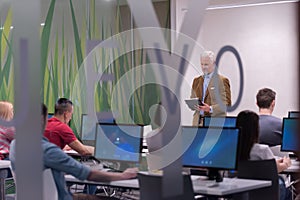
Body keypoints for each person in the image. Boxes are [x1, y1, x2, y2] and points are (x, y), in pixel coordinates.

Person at [9, 104, 138, 200]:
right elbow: (89, 175)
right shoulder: (48, 151)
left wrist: (61, 167)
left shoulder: (15, 145)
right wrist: (122, 176)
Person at [236, 110, 292, 200]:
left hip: (240, 193)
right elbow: (272, 170)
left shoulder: (232, 150)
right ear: (256, 129)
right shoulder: (262, 150)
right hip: (265, 193)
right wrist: (286, 164)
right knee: (288, 189)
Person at [190, 50, 232, 126]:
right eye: (202, 64)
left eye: (206, 64)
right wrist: (193, 104)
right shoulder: (196, 81)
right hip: (197, 122)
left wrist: (210, 108)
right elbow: (193, 99)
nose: (203, 67)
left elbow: (226, 104)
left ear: (214, 64)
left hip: (215, 123)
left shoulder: (222, 81)